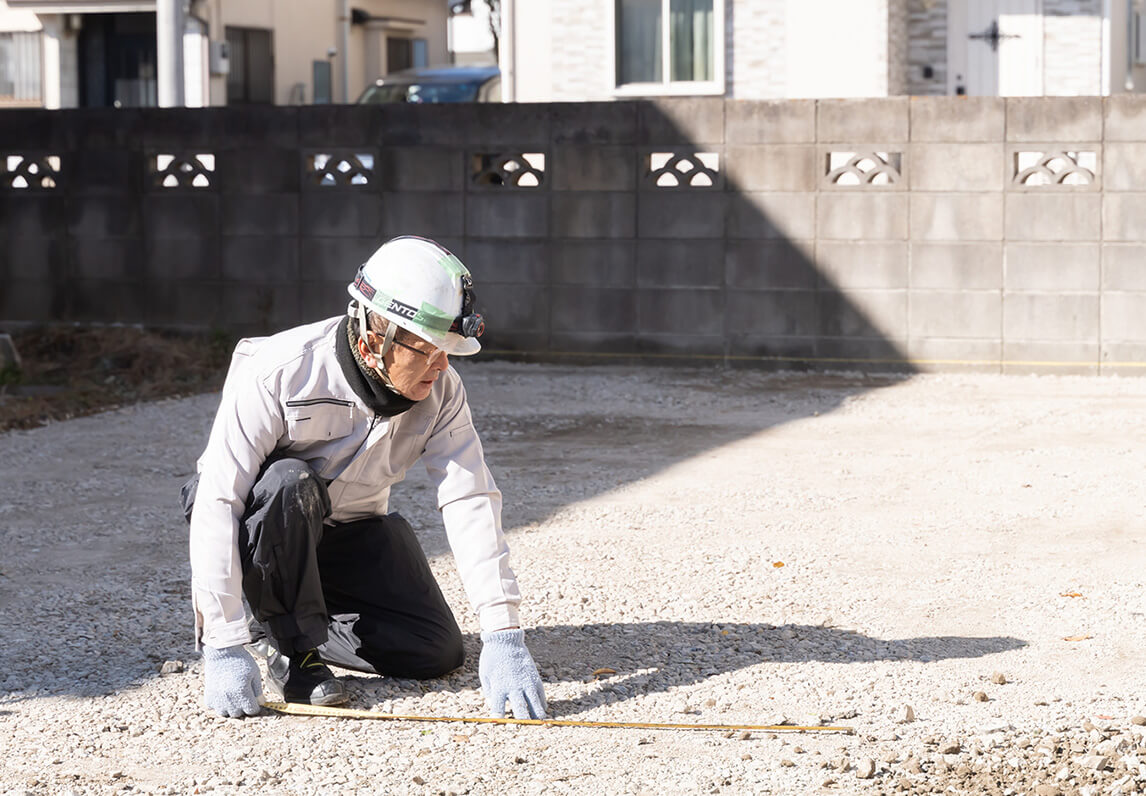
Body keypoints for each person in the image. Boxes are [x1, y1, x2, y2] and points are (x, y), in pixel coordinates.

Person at [179, 235, 547, 720]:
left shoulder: (442, 393)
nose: (442, 366)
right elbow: (218, 499)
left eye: (450, 351)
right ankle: (295, 648)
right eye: (427, 350)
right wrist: (223, 646)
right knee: (290, 481)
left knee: (434, 652)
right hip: (264, 526)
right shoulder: (281, 370)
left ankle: (287, 618)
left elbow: (470, 497)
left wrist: (504, 634)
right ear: (376, 335)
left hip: (348, 529)